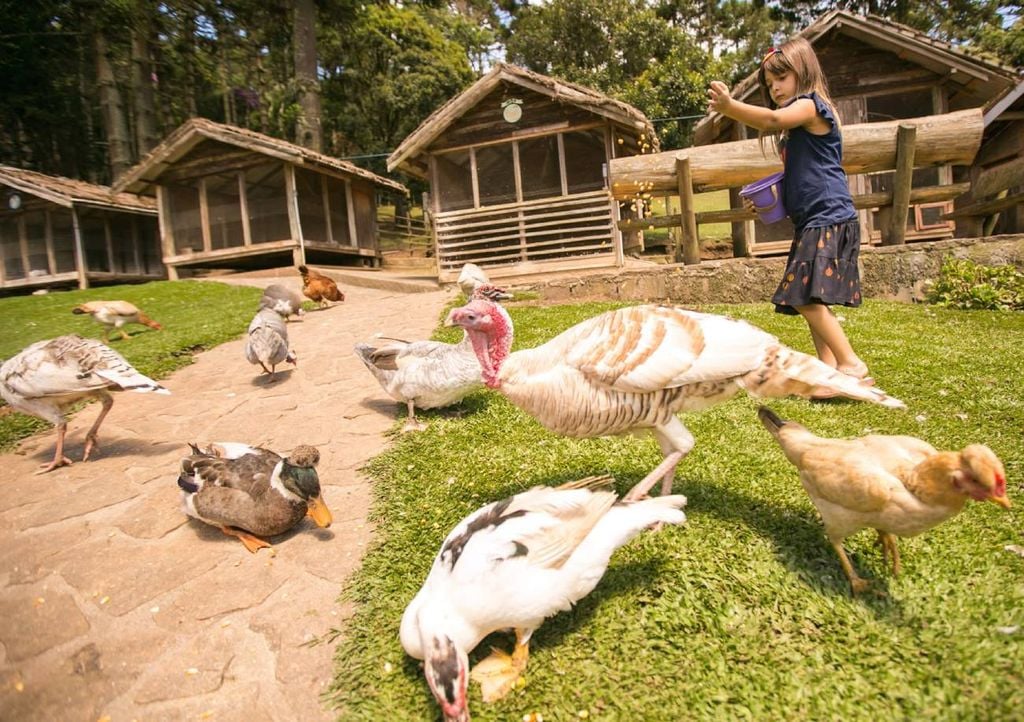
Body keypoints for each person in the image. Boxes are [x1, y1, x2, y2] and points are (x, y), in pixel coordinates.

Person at [707, 37, 871, 384]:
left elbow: (769, 119)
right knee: (810, 295)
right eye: (769, 83)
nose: (775, 88)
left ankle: (850, 364)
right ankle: (827, 371)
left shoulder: (811, 107)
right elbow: (804, 174)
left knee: (803, 296)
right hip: (812, 219)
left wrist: (728, 106)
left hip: (829, 216)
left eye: (781, 78)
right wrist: (771, 199)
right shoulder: (796, 131)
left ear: (803, 71)